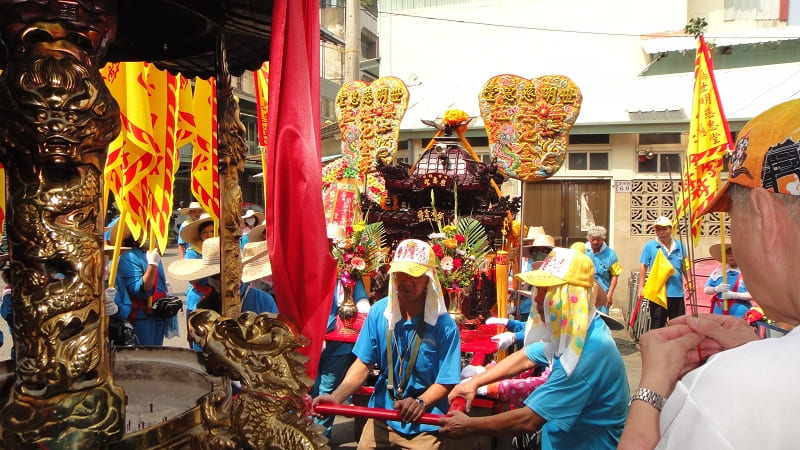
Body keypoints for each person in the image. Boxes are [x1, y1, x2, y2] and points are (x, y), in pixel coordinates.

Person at [618, 99, 800, 449]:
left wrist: (650, 390)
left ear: (763, 216)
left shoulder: (737, 387)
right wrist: (760, 349)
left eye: (733, 218)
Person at [440, 247, 630, 449]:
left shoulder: (586, 357)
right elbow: (529, 355)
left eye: (546, 291)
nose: (537, 299)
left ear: (568, 297)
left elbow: (529, 420)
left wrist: (468, 426)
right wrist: (475, 382)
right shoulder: (581, 331)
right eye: (537, 289)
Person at [312, 239, 461, 449]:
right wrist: (336, 397)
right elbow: (363, 364)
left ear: (428, 278)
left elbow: (447, 379)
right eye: (401, 274)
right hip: (382, 414)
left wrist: (421, 402)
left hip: (424, 422)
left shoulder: (444, 326)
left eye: (414, 276)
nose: (406, 281)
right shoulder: (379, 312)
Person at [310, 277, 369, 438]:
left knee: (327, 389)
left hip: (339, 342)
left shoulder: (348, 270)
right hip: (309, 339)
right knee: (308, 389)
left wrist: (361, 313)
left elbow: (362, 299)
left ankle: (319, 440)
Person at [168, 237, 278, 317]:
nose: (223, 280)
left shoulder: (263, 300)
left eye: (229, 274)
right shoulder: (204, 307)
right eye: (216, 276)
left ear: (239, 271)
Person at [110, 221, 169, 346]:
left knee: (158, 356)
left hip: (158, 315)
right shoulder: (129, 256)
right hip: (142, 316)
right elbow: (139, 290)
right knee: (145, 357)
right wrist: (152, 265)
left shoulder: (148, 253)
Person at [638, 216, 686, 329]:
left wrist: (690, 283)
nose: (661, 232)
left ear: (670, 229)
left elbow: (685, 266)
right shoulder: (650, 246)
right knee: (657, 325)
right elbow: (643, 266)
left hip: (676, 292)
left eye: (664, 229)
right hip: (657, 293)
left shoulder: (680, 246)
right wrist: (641, 287)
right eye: (658, 229)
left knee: (678, 325)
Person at [703, 243, 753, 318]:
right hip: (719, 312)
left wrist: (734, 295)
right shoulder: (718, 272)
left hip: (739, 314)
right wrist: (716, 289)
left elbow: (754, 295)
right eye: (728, 253)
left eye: (734, 253)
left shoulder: (748, 273)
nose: (731, 256)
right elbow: (706, 289)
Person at [179, 213, 215, 316]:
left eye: (212, 231)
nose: (209, 235)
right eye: (205, 232)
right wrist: (209, 265)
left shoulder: (221, 250)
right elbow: (192, 278)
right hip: (198, 298)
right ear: (200, 234)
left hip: (217, 299)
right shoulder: (192, 252)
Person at [585, 225, 622, 314]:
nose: (595, 242)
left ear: (603, 239)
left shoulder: (611, 255)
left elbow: (615, 275)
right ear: (589, 238)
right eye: (592, 239)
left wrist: (609, 295)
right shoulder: (582, 251)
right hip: (585, 293)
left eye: (598, 239)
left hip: (602, 294)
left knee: (602, 322)